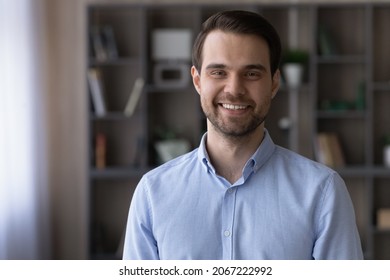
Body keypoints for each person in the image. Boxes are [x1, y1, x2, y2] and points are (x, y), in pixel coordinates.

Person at [123, 10, 363, 260]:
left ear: (273, 83)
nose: (234, 89)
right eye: (218, 72)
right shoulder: (152, 193)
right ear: (197, 80)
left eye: (251, 73)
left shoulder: (322, 192)